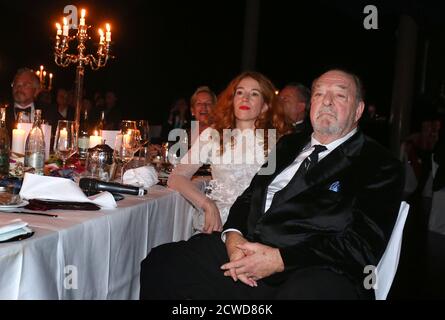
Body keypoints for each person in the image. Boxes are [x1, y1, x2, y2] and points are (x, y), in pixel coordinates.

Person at [140, 69, 404, 300]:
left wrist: (280, 259)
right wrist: (232, 237)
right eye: (319, 94)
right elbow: (248, 197)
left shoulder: (378, 164)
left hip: (312, 268)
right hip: (247, 249)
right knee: (163, 263)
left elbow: (361, 245)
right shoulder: (288, 145)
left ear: (358, 110)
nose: (326, 101)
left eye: (340, 95)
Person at [167, 71, 291, 234]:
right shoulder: (213, 135)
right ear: (232, 100)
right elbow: (176, 177)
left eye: (254, 94)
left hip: (258, 229)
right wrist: (207, 204)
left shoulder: (280, 141)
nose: (245, 98)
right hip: (218, 224)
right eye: (239, 92)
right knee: (161, 258)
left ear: (265, 106)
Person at [6, 68, 42, 133]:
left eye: (25, 84)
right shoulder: (3, 114)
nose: (19, 88)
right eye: (16, 84)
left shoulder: (50, 113)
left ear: (36, 91)